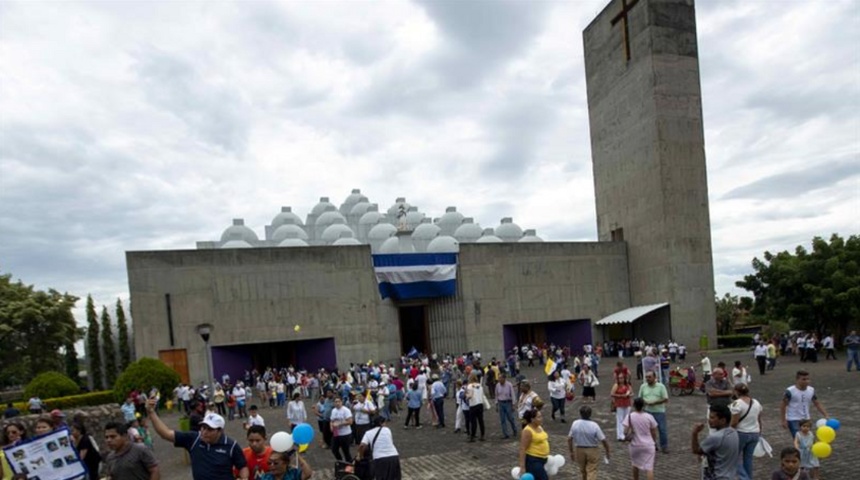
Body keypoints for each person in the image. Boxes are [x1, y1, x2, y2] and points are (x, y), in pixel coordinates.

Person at [146, 397, 249, 479]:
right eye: (203, 427)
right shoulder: (194, 439)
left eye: (210, 429)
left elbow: (242, 466)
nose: (204, 432)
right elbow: (165, 434)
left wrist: (244, 478)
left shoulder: (231, 445)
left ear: (220, 431)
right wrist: (151, 412)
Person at [691, 405, 739, 480]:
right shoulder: (734, 432)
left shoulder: (716, 437)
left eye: (712, 418)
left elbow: (696, 450)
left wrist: (694, 433)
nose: (709, 420)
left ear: (723, 420)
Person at [780, 370, 829, 439]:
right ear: (797, 380)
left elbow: (817, 403)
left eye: (808, 379)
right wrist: (783, 420)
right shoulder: (790, 391)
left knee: (807, 438)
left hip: (806, 418)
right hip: (793, 419)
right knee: (799, 439)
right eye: (803, 379)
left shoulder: (811, 390)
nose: (806, 381)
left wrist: (825, 414)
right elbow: (783, 405)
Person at [567, 405, 611, 480]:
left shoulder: (575, 423)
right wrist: (607, 451)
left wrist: (571, 451)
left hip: (579, 449)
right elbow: (603, 440)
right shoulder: (594, 425)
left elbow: (569, 438)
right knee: (592, 470)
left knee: (583, 470)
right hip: (592, 450)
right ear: (590, 414)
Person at [730, 383, 762, 480]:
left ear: (736, 392)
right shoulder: (756, 402)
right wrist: (760, 432)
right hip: (755, 433)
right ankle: (749, 477)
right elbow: (759, 420)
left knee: (734, 458)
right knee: (748, 458)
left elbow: (734, 422)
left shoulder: (736, 404)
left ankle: (744, 478)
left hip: (741, 433)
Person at [623, 398, 657, 480]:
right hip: (648, 444)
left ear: (634, 405)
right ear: (643, 406)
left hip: (635, 445)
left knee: (635, 465)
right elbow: (654, 432)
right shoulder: (649, 417)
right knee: (649, 468)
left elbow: (625, 431)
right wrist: (654, 442)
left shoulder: (630, 416)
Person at [358, 416, 402, 480]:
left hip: (379, 458)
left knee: (382, 477)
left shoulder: (368, 433)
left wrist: (360, 456)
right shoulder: (387, 430)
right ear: (381, 423)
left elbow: (362, 445)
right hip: (393, 456)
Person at [638, 371, 669, 453]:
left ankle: (664, 446)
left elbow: (665, 399)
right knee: (648, 430)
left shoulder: (661, 386)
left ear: (655, 377)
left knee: (662, 429)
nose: (647, 379)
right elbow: (639, 398)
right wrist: (644, 403)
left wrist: (654, 402)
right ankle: (652, 445)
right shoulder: (643, 386)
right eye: (646, 377)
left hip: (659, 411)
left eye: (649, 377)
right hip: (647, 411)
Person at [518, 408, 549, 480]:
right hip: (533, 460)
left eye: (541, 416)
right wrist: (522, 467)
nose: (541, 419)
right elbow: (522, 449)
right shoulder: (527, 431)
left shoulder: (539, 427)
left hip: (542, 459)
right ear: (532, 419)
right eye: (539, 417)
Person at [329, 396, 354, 462]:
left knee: (346, 451)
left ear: (341, 402)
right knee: (334, 449)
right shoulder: (333, 410)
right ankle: (340, 461)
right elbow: (331, 420)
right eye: (336, 402)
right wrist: (331, 426)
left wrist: (340, 424)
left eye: (339, 402)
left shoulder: (346, 410)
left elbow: (350, 421)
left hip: (345, 434)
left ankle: (349, 464)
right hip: (336, 433)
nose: (337, 403)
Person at [495, 372, 518, 439]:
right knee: (502, 420)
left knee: (510, 418)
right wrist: (496, 404)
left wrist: (513, 404)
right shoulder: (497, 385)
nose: (499, 380)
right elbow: (496, 395)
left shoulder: (509, 385)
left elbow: (513, 395)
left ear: (504, 378)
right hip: (501, 403)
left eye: (500, 378)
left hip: (508, 403)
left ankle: (514, 430)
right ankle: (505, 434)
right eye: (498, 378)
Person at [610, 376, 633, 441]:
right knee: (620, 419)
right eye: (620, 378)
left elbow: (632, 393)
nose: (621, 379)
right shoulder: (616, 385)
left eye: (622, 378)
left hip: (627, 403)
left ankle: (625, 433)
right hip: (619, 403)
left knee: (627, 419)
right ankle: (620, 435)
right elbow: (612, 393)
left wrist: (628, 395)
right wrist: (620, 396)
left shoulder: (628, 385)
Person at [465, 373, 486, 442]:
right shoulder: (480, 385)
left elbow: (469, 396)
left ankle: (472, 436)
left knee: (473, 421)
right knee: (481, 421)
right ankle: (482, 435)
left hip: (473, 404)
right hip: (480, 404)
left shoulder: (469, 386)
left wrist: (466, 396)